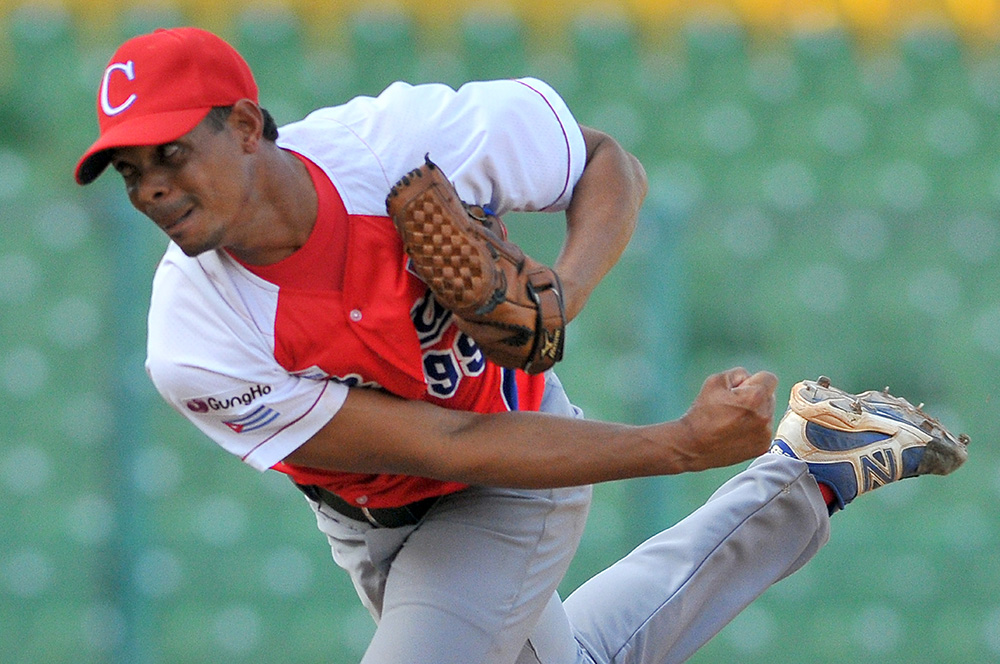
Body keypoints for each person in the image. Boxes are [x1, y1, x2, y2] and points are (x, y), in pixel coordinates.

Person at [75, 27, 967, 664]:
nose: (151, 186)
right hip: (380, 516)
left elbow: (607, 163)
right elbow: (438, 441)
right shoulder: (193, 337)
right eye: (129, 170)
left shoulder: (398, 147)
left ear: (241, 124)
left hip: (509, 487)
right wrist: (678, 445)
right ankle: (809, 472)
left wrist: (563, 296)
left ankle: (803, 478)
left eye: (168, 152)